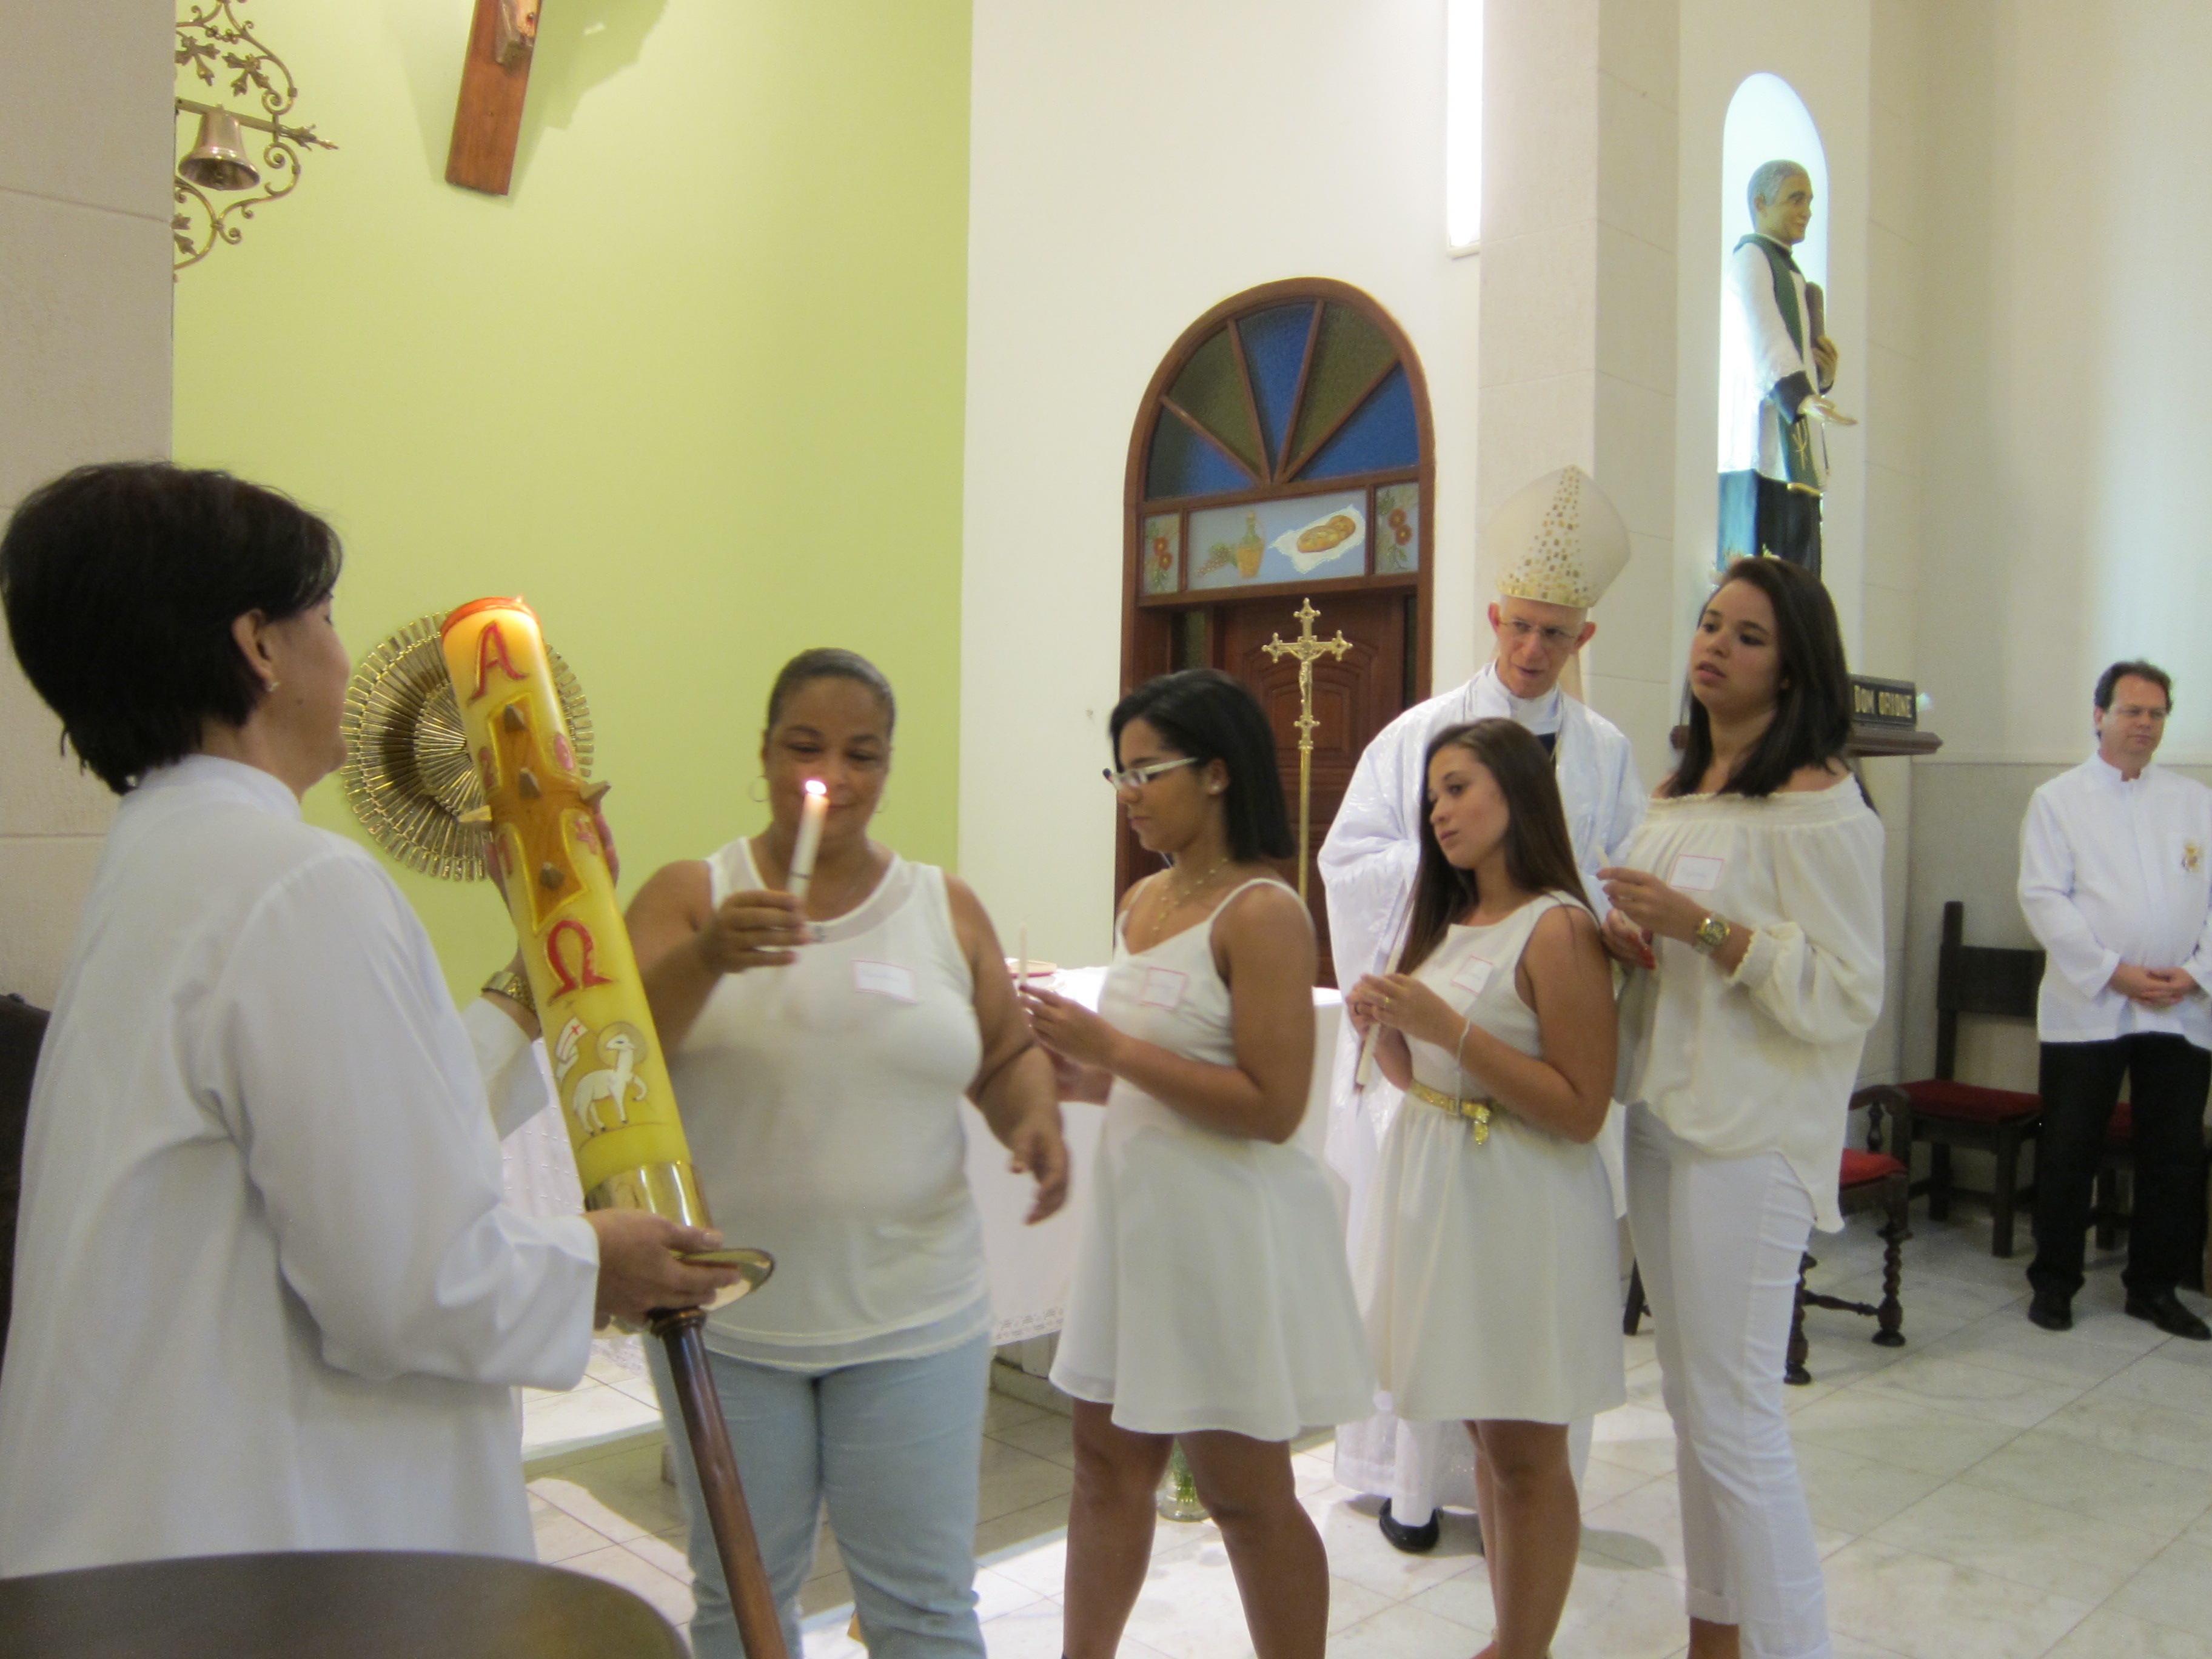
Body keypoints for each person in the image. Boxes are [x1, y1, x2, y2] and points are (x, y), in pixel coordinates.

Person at [0, 462, 739, 1578]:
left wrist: (530, 973)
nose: (342, 657)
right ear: (258, 645)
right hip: (257, 1557)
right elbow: (405, 1282)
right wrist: (595, 1262)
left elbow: (356, 1150)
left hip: (140, 1540)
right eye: (328, 618)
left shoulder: (169, 866)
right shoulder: (299, 884)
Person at [625, 646, 1070, 1659]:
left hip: (916, 1317)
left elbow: (1003, 1054)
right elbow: (622, 1050)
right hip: (729, 1325)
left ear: (887, 767)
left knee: (923, 1607)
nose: (832, 774)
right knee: (741, 1604)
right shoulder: (690, 895)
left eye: (861, 754)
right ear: (763, 754)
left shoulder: (941, 906)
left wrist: (1032, 1117)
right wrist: (708, 957)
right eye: (805, 746)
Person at [1319, 462, 1642, 1552]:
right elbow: (1350, 858)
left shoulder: (1607, 752)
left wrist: (1572, 917)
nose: (1534, 649)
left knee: (1520, 1312)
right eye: (1521, 627)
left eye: (1556, 634)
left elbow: (1620, 875)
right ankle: (1411, 1492)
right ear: (1495, 619)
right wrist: (1455, 877)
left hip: (1538, 1031)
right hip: (1440, 1037)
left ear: (1582, 637)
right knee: (1430, 1289)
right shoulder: (1421, 733)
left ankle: (1527, 1505)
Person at [1023, 669, 1372, 1659]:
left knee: (1243, 1494)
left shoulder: (1263, 912)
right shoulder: (1143, 901)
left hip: (1221, 1232)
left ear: (1216, 773)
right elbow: (1152, 1075)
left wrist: (1110, 1050)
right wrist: (1075, 1077)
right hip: (1140, 1224)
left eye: (1146, 772)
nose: (1127, 794)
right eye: (1118, 773)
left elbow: (1271, 1107)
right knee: (1103, 1465)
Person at [1598, 555, 1883, 1659]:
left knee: (1738, 1415)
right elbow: (1671, 944)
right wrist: (1632, 942)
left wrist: (1705, 930)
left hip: (1752, 1134)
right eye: (1710, 623)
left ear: (1794, 666)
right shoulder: (1675, 794)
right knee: (1688, 1403)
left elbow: (1847, 988)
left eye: (1748, 635)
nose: (1714, 644)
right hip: (1664, 1116)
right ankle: (1712, 1636)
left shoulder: (1820, 805)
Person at [1345, 719, 1622, 1659]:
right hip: (1443, 1196)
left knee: (1528, 1452)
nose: (1439, 812)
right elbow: (1424, 1077)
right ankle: (1512, 1637)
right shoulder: (1450, 918)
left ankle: (1522, 1647)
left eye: (1458, 788)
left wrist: (1447, 1028)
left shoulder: (1558, 927)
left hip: (1521, 1206)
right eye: (1432, 796)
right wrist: (1388, 1030)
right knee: (1488, 1442)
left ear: (1516, 792)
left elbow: (1581, 1107)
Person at [2016, 660, 2212, 1341]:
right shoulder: (2058, 800)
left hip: (2181, 1008)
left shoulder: (2195, 801)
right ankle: (2055, 1284)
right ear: (2099, 716)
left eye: (2156, 714)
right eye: (2132, 711)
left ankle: (2153, 1288)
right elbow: (2043, 897)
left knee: (2173, 1155)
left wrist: (2197, 973)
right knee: (2070, 1147)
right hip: (2089, 1005)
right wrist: (2112, 972)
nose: (2145, 725)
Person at [1717, 159, 1843, 575]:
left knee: (1797, 579)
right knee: (1761, 571)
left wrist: (1822, 377)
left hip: (1792, 436)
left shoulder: (1792, 273)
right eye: (1796, 199)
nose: (1807, 211)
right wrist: (1800, 395)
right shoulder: (1752, 259)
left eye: (1810, 201)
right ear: (1761, 203)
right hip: (1759, 440)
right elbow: (1762, 333)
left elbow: (1796, 350)